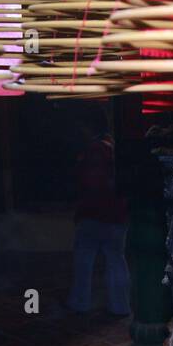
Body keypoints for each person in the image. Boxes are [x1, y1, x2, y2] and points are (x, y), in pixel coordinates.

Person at [66, 110, 129, 316]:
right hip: (117, 214)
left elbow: (91, 183)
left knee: (84, 260)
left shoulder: (94, 150)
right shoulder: (114, 147)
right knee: (116, 261)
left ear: (89, 127)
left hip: (94, 213)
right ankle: (119, 306)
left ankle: (79, 303)